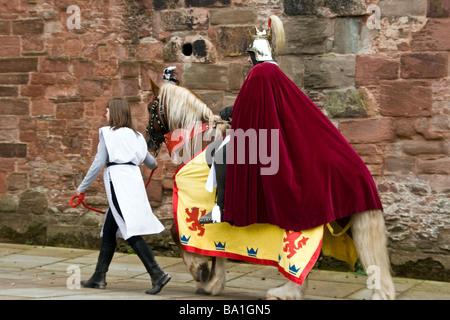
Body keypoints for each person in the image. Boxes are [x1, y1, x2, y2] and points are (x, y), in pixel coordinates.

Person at [220, 15, 383, 232]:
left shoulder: (260, 73)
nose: (248, 60)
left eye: (250, 55)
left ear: (257, 53)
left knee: (220, 154)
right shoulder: (274, 72)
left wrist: (229, 112)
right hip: (267, 137)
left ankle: (220, 209)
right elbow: (263, 106)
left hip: (262, 141)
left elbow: (251, 108)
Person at [76, 98, 170, 294]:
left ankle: (157, 273)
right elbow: (151, 163)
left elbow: (98, 163)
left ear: (115, 112)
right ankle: (99, 277)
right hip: (133, 182)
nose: (105, 114)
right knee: (110, 229)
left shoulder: (107, 134)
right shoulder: (136, 136)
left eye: (107, 111)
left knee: (129, 229)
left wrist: (82, 187)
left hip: (118, 182)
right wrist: (153, 163)